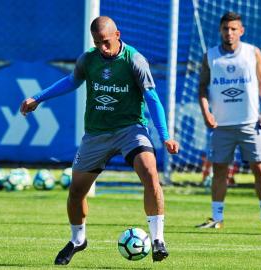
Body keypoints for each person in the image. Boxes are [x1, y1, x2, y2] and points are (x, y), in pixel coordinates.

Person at [20, 16, 179, 264]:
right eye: (97, 43)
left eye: (105, 42)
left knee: (150, 174)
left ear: (118, 35)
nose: (102, 48)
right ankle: (78, 240)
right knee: (76, 192)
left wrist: (165, 136)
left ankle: (158, 239)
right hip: (96, 134)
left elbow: (152, 98)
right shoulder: (88, 59)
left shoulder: (135, 60)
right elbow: (71, 81)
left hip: (130, 129)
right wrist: (38, 98)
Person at [196, 11, 261, 230]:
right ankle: (216, 218)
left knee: (260, 168)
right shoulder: (210, 56)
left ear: (241, 31)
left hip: (251, 123)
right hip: (222, 125)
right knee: (220, 170)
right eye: (226, 28)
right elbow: (202, 88)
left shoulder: (252, 53)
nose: (229, 33)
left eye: (234, 29)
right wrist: (206, 112)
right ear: (220, 30)